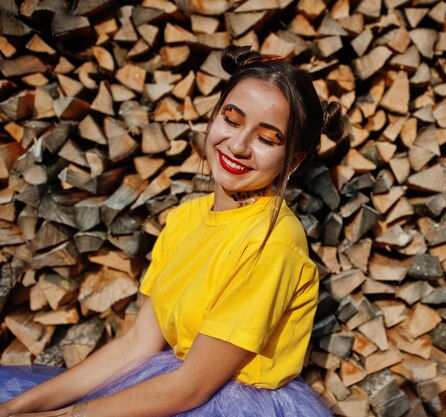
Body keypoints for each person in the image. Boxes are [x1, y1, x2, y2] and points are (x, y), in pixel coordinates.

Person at [0, 45, 343, 417]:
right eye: (231, 119)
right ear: (213, 117)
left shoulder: (272, 243)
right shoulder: (185, 219)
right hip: (173, 390)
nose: (239, 146)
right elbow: (136, 345)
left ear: (293, 159)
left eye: (267, 138)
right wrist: (18, 407)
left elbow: (191, 387)